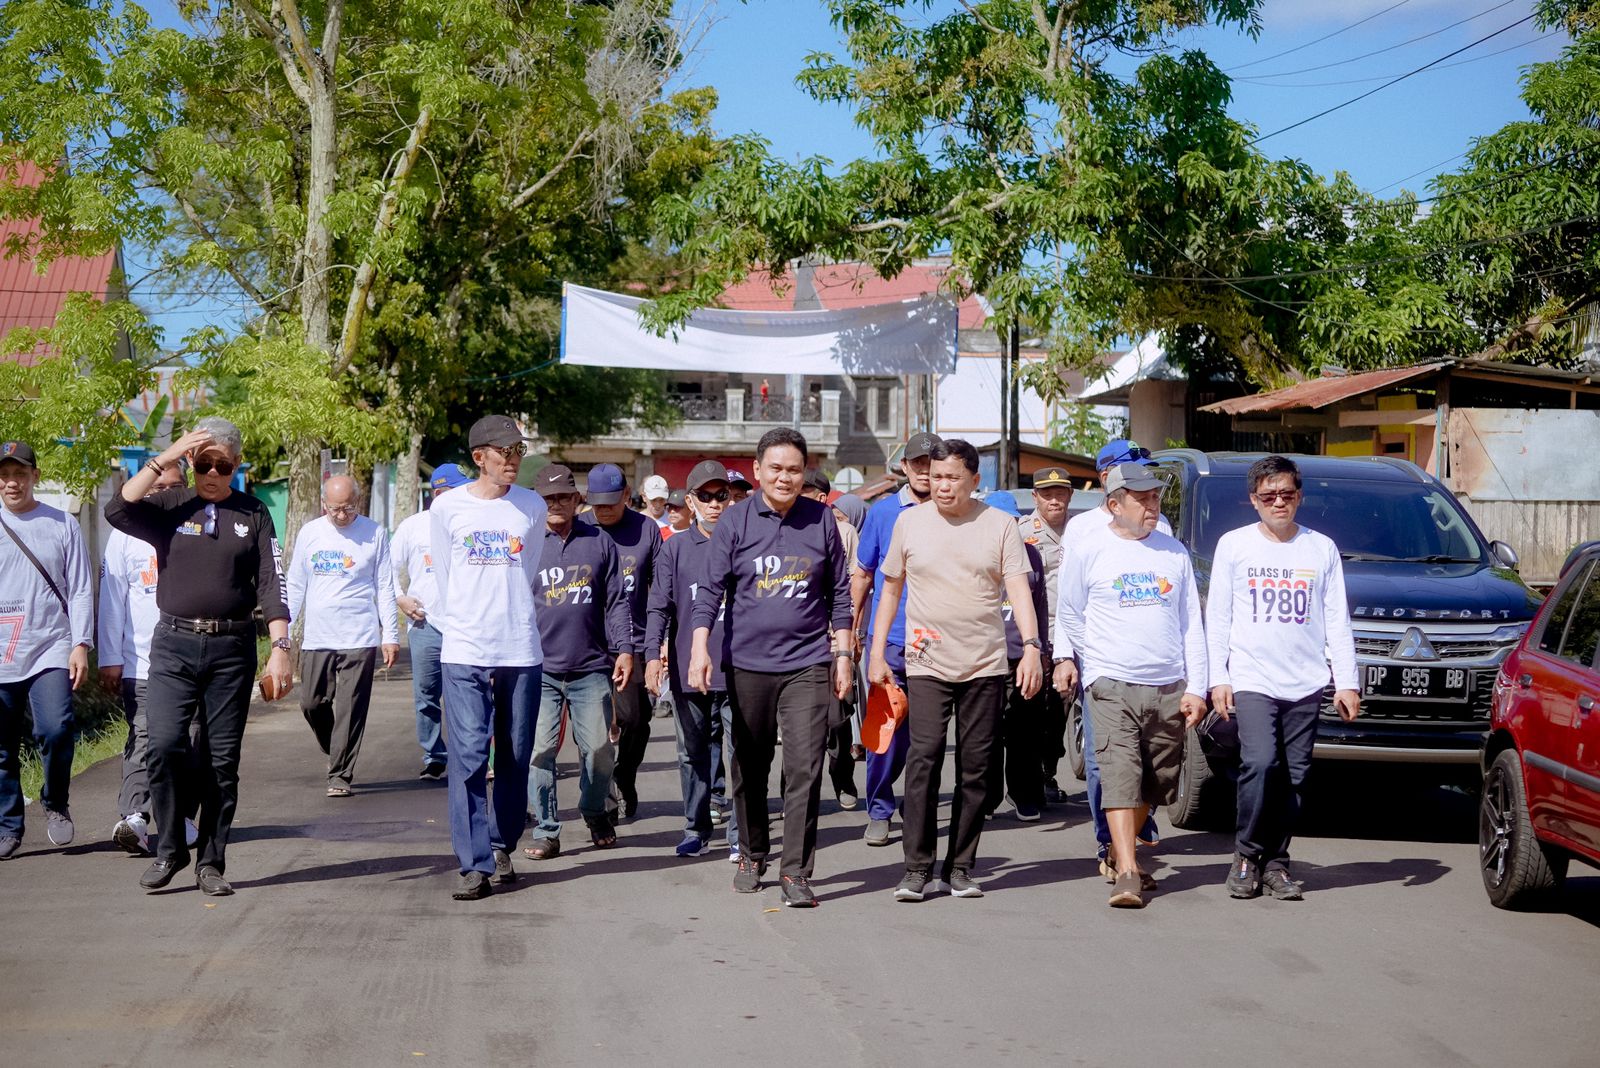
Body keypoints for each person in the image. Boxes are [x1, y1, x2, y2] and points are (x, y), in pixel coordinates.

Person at [104, 419, 292, 896]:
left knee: (220, 761)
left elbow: (272, 580)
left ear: (235, 467)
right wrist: (165, 457)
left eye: (222, 466)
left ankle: (211, 862)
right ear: (191, 462)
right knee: (164, 745)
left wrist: (281, 648)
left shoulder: (254, 513)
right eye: (204, 463)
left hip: (231, 650)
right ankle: (169, 848)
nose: (212, 474)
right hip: (173, 645)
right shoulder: (171, 505)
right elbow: (118, 508)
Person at [688, 428, 853, 907]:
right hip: (747, 666)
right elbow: (709, 592)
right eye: (776, 468)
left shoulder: (822, 521)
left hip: (807, 663)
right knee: (751, 764)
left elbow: (840, 595)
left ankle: (796, 871)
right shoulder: (735, 521)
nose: (785, 477)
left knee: (805, 766)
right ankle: (753, 852)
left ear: (805, 473)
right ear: (758, 472)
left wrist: (842, 655)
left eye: (794, 469)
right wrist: (700, 649)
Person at [871, 440, 1041, 901]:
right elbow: (889, 591)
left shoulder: (1000, 524)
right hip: (925, 661)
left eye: (952, 478)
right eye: (937, 476)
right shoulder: (909, 522)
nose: (942, 486)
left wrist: (1031, 648)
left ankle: (961, 867)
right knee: (923, 760)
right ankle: (916, 869)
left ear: (974, 481)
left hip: (985, 664)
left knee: (976, 767)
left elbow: (1019, 591)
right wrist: (874, 653)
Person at [1207, 455, 1359, 901]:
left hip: (1306, 681)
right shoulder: (1235, 546)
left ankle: (1275, 863)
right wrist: (1219, 678)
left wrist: (1345, 681)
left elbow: (1337, 619)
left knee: (1294, 775)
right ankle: (1246, 855)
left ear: (1300, 497)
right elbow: (1217, 617)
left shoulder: (1321, 548)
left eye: (1287, 495)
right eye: (1269, 496)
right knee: (1259, 763)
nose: (1279, 503)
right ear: (1253, 500)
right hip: (1252, 676)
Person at [1055, 463, 1207, 909]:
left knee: (1158, 780)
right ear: (1114, 504)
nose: (1151, 506)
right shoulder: (1090, 549)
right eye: (1141, 499)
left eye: (1155, 497)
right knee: (1120, 774)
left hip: (1167, 685)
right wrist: (1097, 659)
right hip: (1112, 684)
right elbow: (1070, 612)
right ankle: (1125, 869)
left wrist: (1195, 686)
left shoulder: (1173, 552)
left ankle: (1128, 853)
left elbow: (1190, 626)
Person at [429, 414, 547, 900]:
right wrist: (465, 625)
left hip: (520, 647)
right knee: (470, 756)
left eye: (518, 452)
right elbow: (446, 578)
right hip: (465, 650)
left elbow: (529, 570)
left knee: (516, 755)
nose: (513, 460)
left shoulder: (531, 507)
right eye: (504, 453)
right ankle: (473, 862)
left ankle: (501, 844)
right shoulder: (448, 509)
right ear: (480, 457)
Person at [1058, 439, 1167, 872]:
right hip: (1100, 664)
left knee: (1150, 757)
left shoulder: (1162, 528)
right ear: (1107, 479)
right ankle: (1110, 844)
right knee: (1107, 760)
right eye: (1131, 470)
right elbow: (1069, 604)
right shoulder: (1083, 530)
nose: (1144, 484)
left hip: (1156, 668)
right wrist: (1067, 656)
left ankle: (1136, 826)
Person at [523, 464, 633, 858]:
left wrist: (624, 649)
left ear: (576, 500)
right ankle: (547, 829)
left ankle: (593, 809)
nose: (555, 504)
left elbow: (617, 602)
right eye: (547, 498)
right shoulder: (526, 543)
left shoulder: (599, 541)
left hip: (590, 668)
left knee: (600, 750)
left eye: (563, 497)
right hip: (539, 669)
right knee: (539, 751)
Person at [0, 441, 95, 859]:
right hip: (2, 652)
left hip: (50, 646)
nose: (11, 483)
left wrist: (81, 643)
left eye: (19, 474)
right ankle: (8, 824)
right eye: (4, 475)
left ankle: (55, 802)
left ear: (35, 476)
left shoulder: (61, 524)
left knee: (56, 730)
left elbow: (80, 588)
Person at [99, 459, 199, 856]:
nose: (163, 496)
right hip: (141, 661)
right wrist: (110, 657)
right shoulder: (124, 536)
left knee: (187, 741)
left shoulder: (197, 527)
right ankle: (135, 817)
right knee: (145, 737)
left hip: (193, 659)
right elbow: (112, 601)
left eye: (173, 487)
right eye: (155, 489)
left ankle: (181, 818)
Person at [645, 459, 741, 859]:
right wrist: (652, 656)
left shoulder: (744, 544)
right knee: (692, 753)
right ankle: (696, 827)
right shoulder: (676, 548)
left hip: (738, 669)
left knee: (741, 754)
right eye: (706, 496)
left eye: (722, 496)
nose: (716, 503)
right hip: (690, 671)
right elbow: (659, 607)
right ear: (691, 500)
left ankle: (741, 833)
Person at [850, 431, 941, 847]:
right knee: (886, 730)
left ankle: (917, 805)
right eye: (917, 463)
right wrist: (851, 632)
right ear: (903, 467)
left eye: (932, 462)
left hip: (940, 643)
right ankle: (880, 807)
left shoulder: (957, 512)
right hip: (890, 640)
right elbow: (863, 576)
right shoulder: (884, 513)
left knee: (929, 735)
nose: (925, 470)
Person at [286, 475, 400, 797]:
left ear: (358, 502)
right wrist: (284, 633)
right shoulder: (310, 533)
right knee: (311, 703)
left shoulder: (374, 533)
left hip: (359, 636)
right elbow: (295, 585)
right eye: (334, 509)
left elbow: (385, 587)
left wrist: (389, 635)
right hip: (318, 637)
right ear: (324, 504)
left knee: (350, 708)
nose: (341, 515)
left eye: (348, 508)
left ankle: (340, 774)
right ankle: (335, 748)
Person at [582, 463, 661, 821]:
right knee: (597, 727)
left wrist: (662, 640)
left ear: (627, 496)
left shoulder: (646, 529)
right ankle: (605, 798)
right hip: (589, 642)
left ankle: (624, 774)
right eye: (597, 503)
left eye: (611, 502)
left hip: (636, 638)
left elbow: (661, 588)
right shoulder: (582, 527)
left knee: (635, 717)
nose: (604, 509)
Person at [390, 463, 472, 779]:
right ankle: (434, 755)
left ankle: (472, 754)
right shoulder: (413, 527)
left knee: (468, 693)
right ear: (439, 493)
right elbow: (388, 570)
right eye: (457, 489)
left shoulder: (470, 523)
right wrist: (400, 598)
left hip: (464, 624)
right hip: (425, 623)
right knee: (426, 694)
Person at [981, 491, 1049, 822]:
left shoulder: (1031, 555)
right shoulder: (976, 553)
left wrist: (1041, 650)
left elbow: (1039, 606)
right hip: (985, 656)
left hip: (1023, 656)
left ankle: (1023, 793)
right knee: (987, 731)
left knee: (1025, 730)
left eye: (1012, 521)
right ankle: (988, 796)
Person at [1018, 466, 1073, 803]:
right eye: (1047, 494)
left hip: (1074, 634)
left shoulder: (1083, 530)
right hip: (1039, 633)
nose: (1055, 500)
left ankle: (1048, 770)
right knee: (1034, 708)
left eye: (1061, 493)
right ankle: (1030, 776)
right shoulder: (1022, 532)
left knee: (1060, 710)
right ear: (1035, 497)